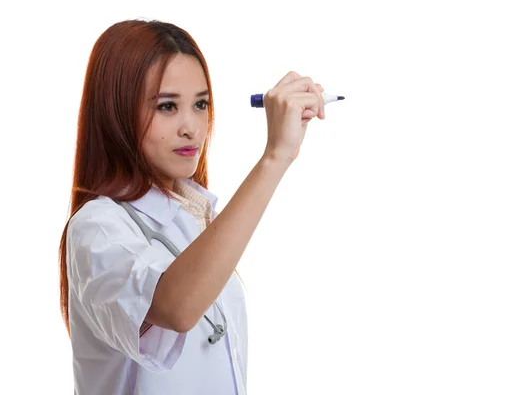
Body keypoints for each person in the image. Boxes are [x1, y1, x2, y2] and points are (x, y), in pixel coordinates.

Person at [58, 19, 326, 395]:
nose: (192, 127)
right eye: (167, 106)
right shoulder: (97, 227)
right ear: (115, 112)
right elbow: (178, 306)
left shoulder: (193, 216)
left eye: (200, 104)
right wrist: (275, 158)